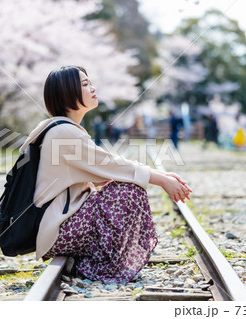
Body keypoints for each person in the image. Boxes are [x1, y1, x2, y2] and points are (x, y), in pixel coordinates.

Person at [18, 66, 192, 283]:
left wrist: (162, 175)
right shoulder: (63, 132)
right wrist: (162, 180)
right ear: (66, 91)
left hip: (60, 224)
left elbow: (107, 169)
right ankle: (101, 268)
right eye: (84, 84)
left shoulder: (57, 128)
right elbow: (113, 165)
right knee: (128, 192)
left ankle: (92, 261)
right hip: (57, 229)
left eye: (90, 82)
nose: (92, 88)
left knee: (122, 186)